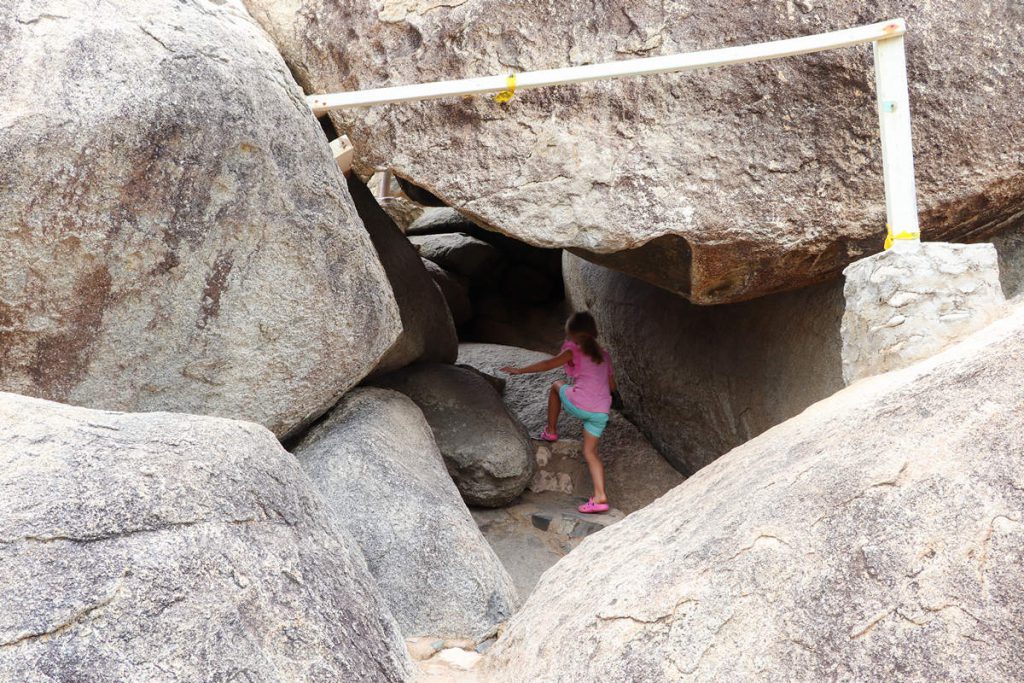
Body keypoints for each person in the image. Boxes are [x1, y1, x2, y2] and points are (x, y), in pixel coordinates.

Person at [500, 312, 615, 514]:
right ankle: (600, 497)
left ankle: (551, 431)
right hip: (600, 412)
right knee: (591, 453)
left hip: (580, 404)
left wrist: (519, 370)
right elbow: (612, 386)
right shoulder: (604, 355)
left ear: (571, 334)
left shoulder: (574, 351)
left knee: (556, 385)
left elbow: (547, 364)